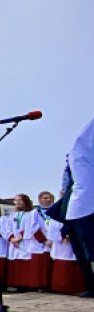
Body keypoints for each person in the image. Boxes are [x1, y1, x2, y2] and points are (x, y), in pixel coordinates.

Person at [65, 117, 94, 296]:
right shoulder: (79, 149)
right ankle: (91, 286)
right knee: (85, 254)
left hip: (84, 207)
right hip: (80, 208)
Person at [6, 193, 47, 291]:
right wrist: (12, 238)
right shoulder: (13, 215)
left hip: (26, 241)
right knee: (16, 263)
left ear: (26, 201)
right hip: (14, 243)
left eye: (20, 200)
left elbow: (33, 227)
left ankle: (26, 284)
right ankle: (18, 284)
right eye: (16, 200)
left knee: (26, 263)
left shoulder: (32, 213)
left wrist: (20, 238)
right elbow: (7, 228)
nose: (18, 202)